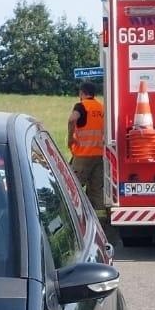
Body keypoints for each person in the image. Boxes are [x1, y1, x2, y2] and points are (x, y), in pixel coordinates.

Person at [67, 81, 106, 212]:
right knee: (96, 190)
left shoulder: (81, 106)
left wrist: (70, 138)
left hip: (83, 155)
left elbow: (72, 119)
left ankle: (72, 216)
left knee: (72, 187)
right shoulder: (101, 107)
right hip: (99, 155)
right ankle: (100, 218)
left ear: (81, 93)